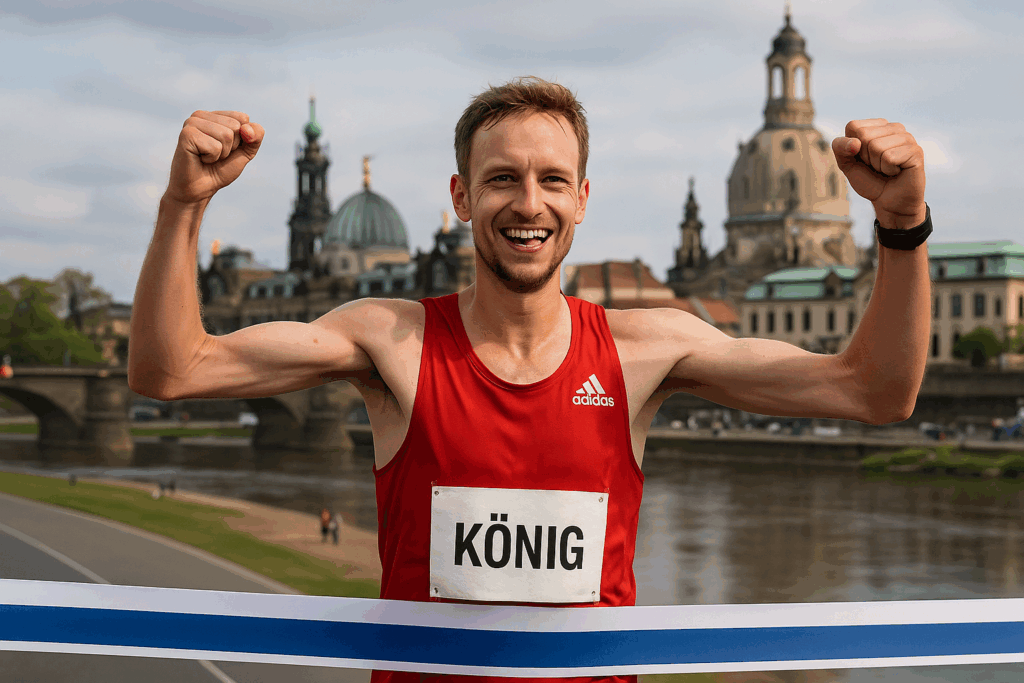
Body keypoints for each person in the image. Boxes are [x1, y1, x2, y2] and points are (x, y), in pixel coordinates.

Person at [128, 77, 931, 683]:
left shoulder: (644, 347)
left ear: (581, 201)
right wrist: (183, 203)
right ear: (461, 198)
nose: (528, 202)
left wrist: (902, 227)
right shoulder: (390, 338)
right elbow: (171, 369)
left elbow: (873, 392)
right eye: (503, 178)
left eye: (552, 179)